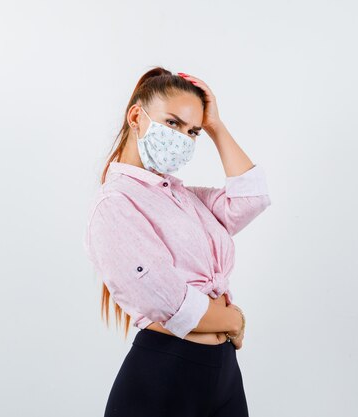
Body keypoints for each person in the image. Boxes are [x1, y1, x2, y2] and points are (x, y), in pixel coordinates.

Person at [83, 66, 271, 417]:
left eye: (192, 131)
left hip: (223, 373)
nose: (183, 139)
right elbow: (169, 300)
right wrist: (234, 320)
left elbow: (251, 200)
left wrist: (216, 127)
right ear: (136, 116)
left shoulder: (183, 197)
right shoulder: (115, 204)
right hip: (165, 378)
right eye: (172, 123)